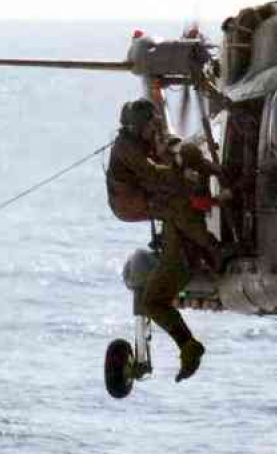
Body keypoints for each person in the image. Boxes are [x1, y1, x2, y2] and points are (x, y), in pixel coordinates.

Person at [105, 98, 228, 382]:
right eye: (150, 125)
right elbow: (152, 175)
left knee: (151, 299)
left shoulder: (178, 193)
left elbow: (188, 208)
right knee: (174, 209)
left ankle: (189, 346)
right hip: (144, 214)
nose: (153, 130)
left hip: (180, 252)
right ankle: (188, 346)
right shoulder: (130, 149)